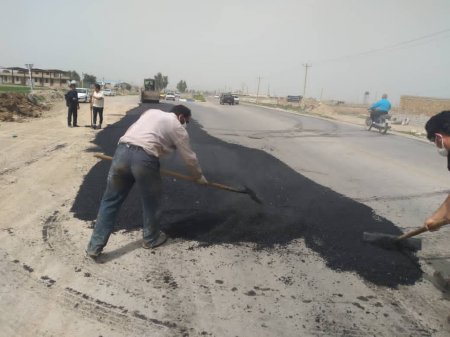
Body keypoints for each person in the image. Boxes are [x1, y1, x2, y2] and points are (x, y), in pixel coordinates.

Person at [86, 105, 208, 258]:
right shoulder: (177, 127)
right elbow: (189, 158)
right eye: (186, 122)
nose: (186, 125)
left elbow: (141, 134)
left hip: (121, 152)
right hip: (144, 159)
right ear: (182, 117)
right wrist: (198, 176)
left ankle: (94, 246)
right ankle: (151, 238)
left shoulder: (151, 112)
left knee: (110, 200)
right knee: (152, 202)